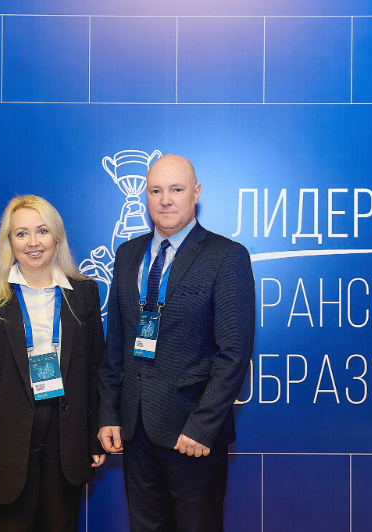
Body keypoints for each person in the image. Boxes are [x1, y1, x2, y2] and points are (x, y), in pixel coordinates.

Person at [98, 154, 255, 531]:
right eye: (155, 191)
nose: (165, 200)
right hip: (136, 430)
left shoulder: (226, 256)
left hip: (192, 433)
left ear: (196, 193)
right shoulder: (127, 254)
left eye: (176, 189)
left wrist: (203, 426)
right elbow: (115, 344)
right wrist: (109, 413)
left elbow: (234, 353)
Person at [0, 195, 106, 531]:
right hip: (3, 444)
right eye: (21, 233)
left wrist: (94, 435)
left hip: (65, 439)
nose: (33, 242)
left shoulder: (84, 294)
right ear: (9, 242)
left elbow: (96, 369)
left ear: (57, 237)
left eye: (42, 231)